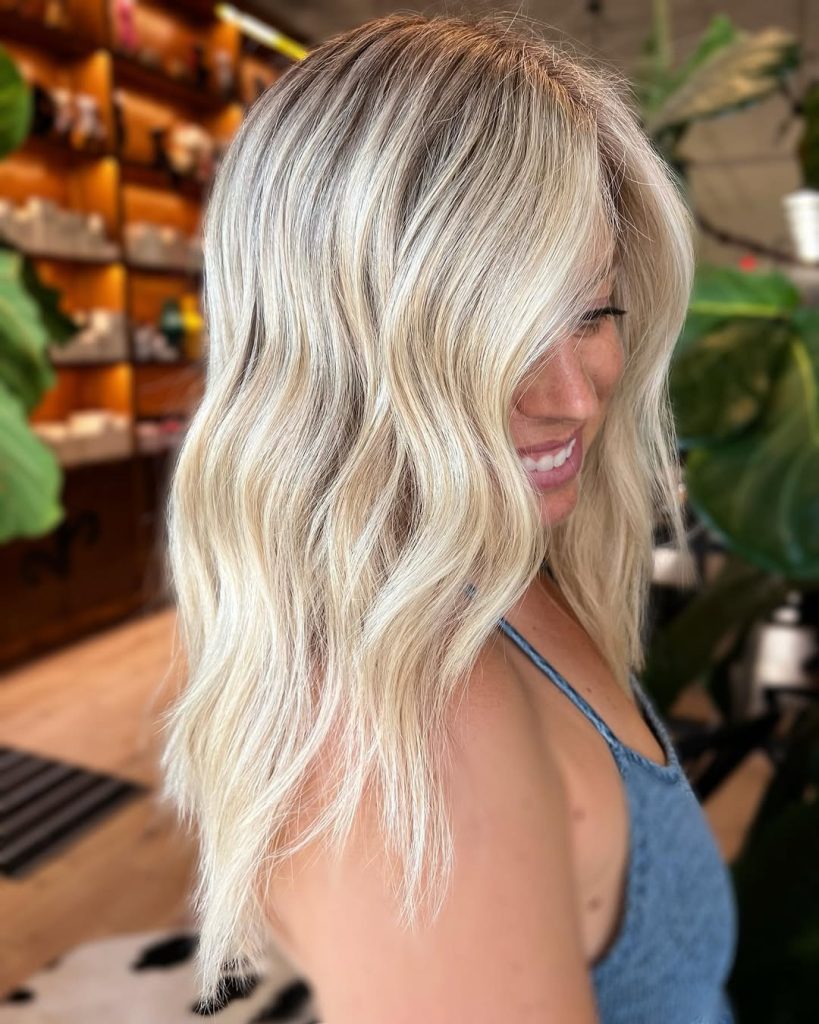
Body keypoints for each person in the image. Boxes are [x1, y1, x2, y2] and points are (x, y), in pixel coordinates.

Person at [158, 11, 738, 1023]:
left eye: (591, 312)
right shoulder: (426, 720)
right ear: (334, 344)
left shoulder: (500, 557)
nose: (575, 397)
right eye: (495, 330)